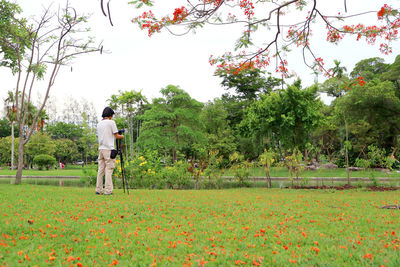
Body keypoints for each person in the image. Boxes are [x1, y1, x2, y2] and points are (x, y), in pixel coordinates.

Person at [95, 107, 124, 195]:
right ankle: (108, 191)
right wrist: (122, 135)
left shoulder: (99, 124)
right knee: (109, 169)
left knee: (100, 170)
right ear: (110, 115)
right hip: (109, 149)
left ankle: (98, 190)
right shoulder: (111, 122)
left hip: (101, 148)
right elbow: (116, 135)